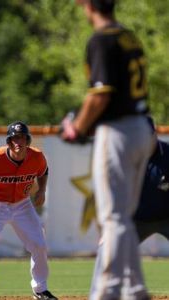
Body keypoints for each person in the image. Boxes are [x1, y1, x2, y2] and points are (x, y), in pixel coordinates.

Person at [60, 1, 155, 299]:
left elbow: (100, 95)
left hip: (118, 131)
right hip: (142, 127)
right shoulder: (129, 36)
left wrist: (77, 127)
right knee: (123, 216)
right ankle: (135, 290)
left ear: (88, 5)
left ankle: (106, 291)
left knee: (112, 217)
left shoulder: (101, 39)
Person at [0, 121, 58, 300]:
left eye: (22, 137)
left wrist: (41, 190)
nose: (19, 141)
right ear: (8, 141)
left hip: (22, 204)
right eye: (15, 138)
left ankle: (40, 289)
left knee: (39, 244)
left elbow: (43, 171)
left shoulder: (37, 157)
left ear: (28, 140)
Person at [90, 118, 169, 298]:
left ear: (155, 135)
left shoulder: (167, 155)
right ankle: (99, 295)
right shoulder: (126, 156)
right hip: (135, 220)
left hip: (166, 217)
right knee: (106, 251)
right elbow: (113, 193)